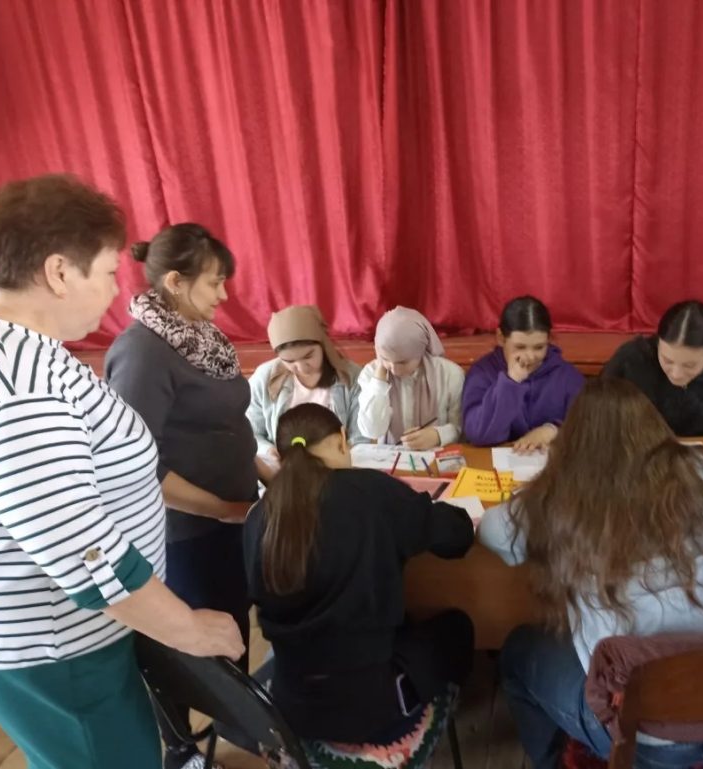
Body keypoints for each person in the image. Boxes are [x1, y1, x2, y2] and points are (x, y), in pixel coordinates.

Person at [0, 175, 243, 769]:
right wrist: (184, 626)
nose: (116, 291)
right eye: (109, 272)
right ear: (60, 272)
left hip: (58, 632)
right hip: (55, 644)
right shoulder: (18, 382)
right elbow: (76, 544)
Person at [478, 378, 703, 769]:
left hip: (643, 735)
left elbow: (492, 532)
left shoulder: (561, 495)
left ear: (572, 441)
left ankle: (555, 762)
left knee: (519, 651)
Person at [104, 222, 258, 769]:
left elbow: (226, 424)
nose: (224, 295)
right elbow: (137, 466)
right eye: (214, 282)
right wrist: (223, 509)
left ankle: (240, 725)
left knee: (230, 628)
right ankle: (181, 749)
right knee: (185, 648)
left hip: (230, 519)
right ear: (174, 281)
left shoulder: (200, 336)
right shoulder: (142, 353)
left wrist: (265, 471)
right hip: (185, 532)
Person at [244, 403, 475, 745]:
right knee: (458, 627)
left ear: (280, 455)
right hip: (372, 714)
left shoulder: (259, 516)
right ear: (342, 439)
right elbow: (456, 537)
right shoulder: (370, 491)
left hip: (291, 707)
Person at [602, 300, 703, 457]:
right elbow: (599, 421)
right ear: (658, 341)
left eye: (689, 365)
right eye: (667, 360)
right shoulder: (630, 361)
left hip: (699, 464)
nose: (676, 374)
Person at [247, 305, 364, 483]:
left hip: (337, 476)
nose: (301, 368)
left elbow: (360, 439)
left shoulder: (352, 377)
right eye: (289, 361)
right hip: (285, 477)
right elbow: (250, 432)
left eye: (308, 356)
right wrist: (268, 451)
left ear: (323, 343)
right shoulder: (264, 378)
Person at [462, 296, 584, 451]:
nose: (530, 357)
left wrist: (553, 430)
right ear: (501, 338)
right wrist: (510, 382)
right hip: (498, 461)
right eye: (520, 347)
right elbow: (479, 435)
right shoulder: (482, 373)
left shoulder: (567, 376)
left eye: (539, 347)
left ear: (549, 339)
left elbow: (588, 427)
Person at [357, 306, 465, 450]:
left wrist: (438, 435)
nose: (394, 369)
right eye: (386, 359)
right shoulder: (370, 373)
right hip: (390, 459)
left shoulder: (449, 374)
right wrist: (379, 382)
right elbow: (372, 430)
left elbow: (460, 427)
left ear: (420, 351)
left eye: (402, 362)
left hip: (436, 457)